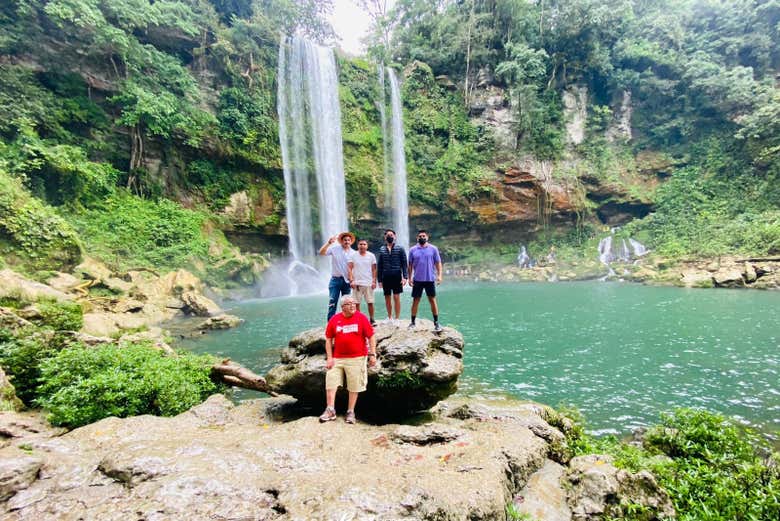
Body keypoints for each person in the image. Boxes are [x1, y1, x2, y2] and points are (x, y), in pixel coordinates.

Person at [319, 296, 377, 424]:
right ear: (342, 307)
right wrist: (329, 358)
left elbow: (371, 336)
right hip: (338, 358)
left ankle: (350, 411)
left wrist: (373, 354)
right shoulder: (335, 319)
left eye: (354, 303)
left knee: (354, 384)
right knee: (331, 379)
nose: (352, 306)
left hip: (357, 357)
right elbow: (328, 339)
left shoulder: (361, 318)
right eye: (349, 304)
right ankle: (330, 410)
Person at [408, 229, 443, 332]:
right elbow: (409, 265)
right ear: (417, 238)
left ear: (427, 237)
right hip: (417, 280)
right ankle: (413, 322)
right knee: (415, 300)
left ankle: (436, 323)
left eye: (424, 236)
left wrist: (440, 275)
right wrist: (409, 278)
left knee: (432, 300)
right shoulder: (413, 250)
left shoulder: (433, 249)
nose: (422, 238)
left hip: (430, 279)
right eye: (420, 236)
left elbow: (438, 263)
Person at [319, 232, 355, 321]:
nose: (346, 242)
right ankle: (331, 323)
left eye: (348, 240)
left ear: (351, 242)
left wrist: (353, 280)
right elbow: (321, 252)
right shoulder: (334, 249)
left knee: (347, 303)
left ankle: (347, 321)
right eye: (345, 240)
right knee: (332, 302)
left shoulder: (354, 253)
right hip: (335, 280)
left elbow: (355, 268)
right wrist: (329, 243)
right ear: (341, 241)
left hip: (347, 281)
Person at [376, 229, 408, 324]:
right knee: (387, 297)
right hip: (385, 276)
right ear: (385, 237)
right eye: (388, 235)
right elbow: (380, 265)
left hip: (397, 275)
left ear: (395, 237)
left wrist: (405, 277)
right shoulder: (382, 249)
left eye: (392, 235)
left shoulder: (400, 248)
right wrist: (379, 280)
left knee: (396, 297)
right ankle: (389, 317)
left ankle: (397, 318)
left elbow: (404, 263)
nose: (390, 236)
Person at [351, 239, 378, 326]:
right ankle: (359, 320)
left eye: (364, 244)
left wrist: (374, 281)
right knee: (356, 303)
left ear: (367, 246)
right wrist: (352, 280)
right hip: (357, 283)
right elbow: (350, 268)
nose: (362, 246)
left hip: (368, 282)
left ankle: (372, 319)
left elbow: (374, 269)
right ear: (358, 245)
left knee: (370, 302)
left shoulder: (371, 256)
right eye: (360, 244)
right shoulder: (353, 255)